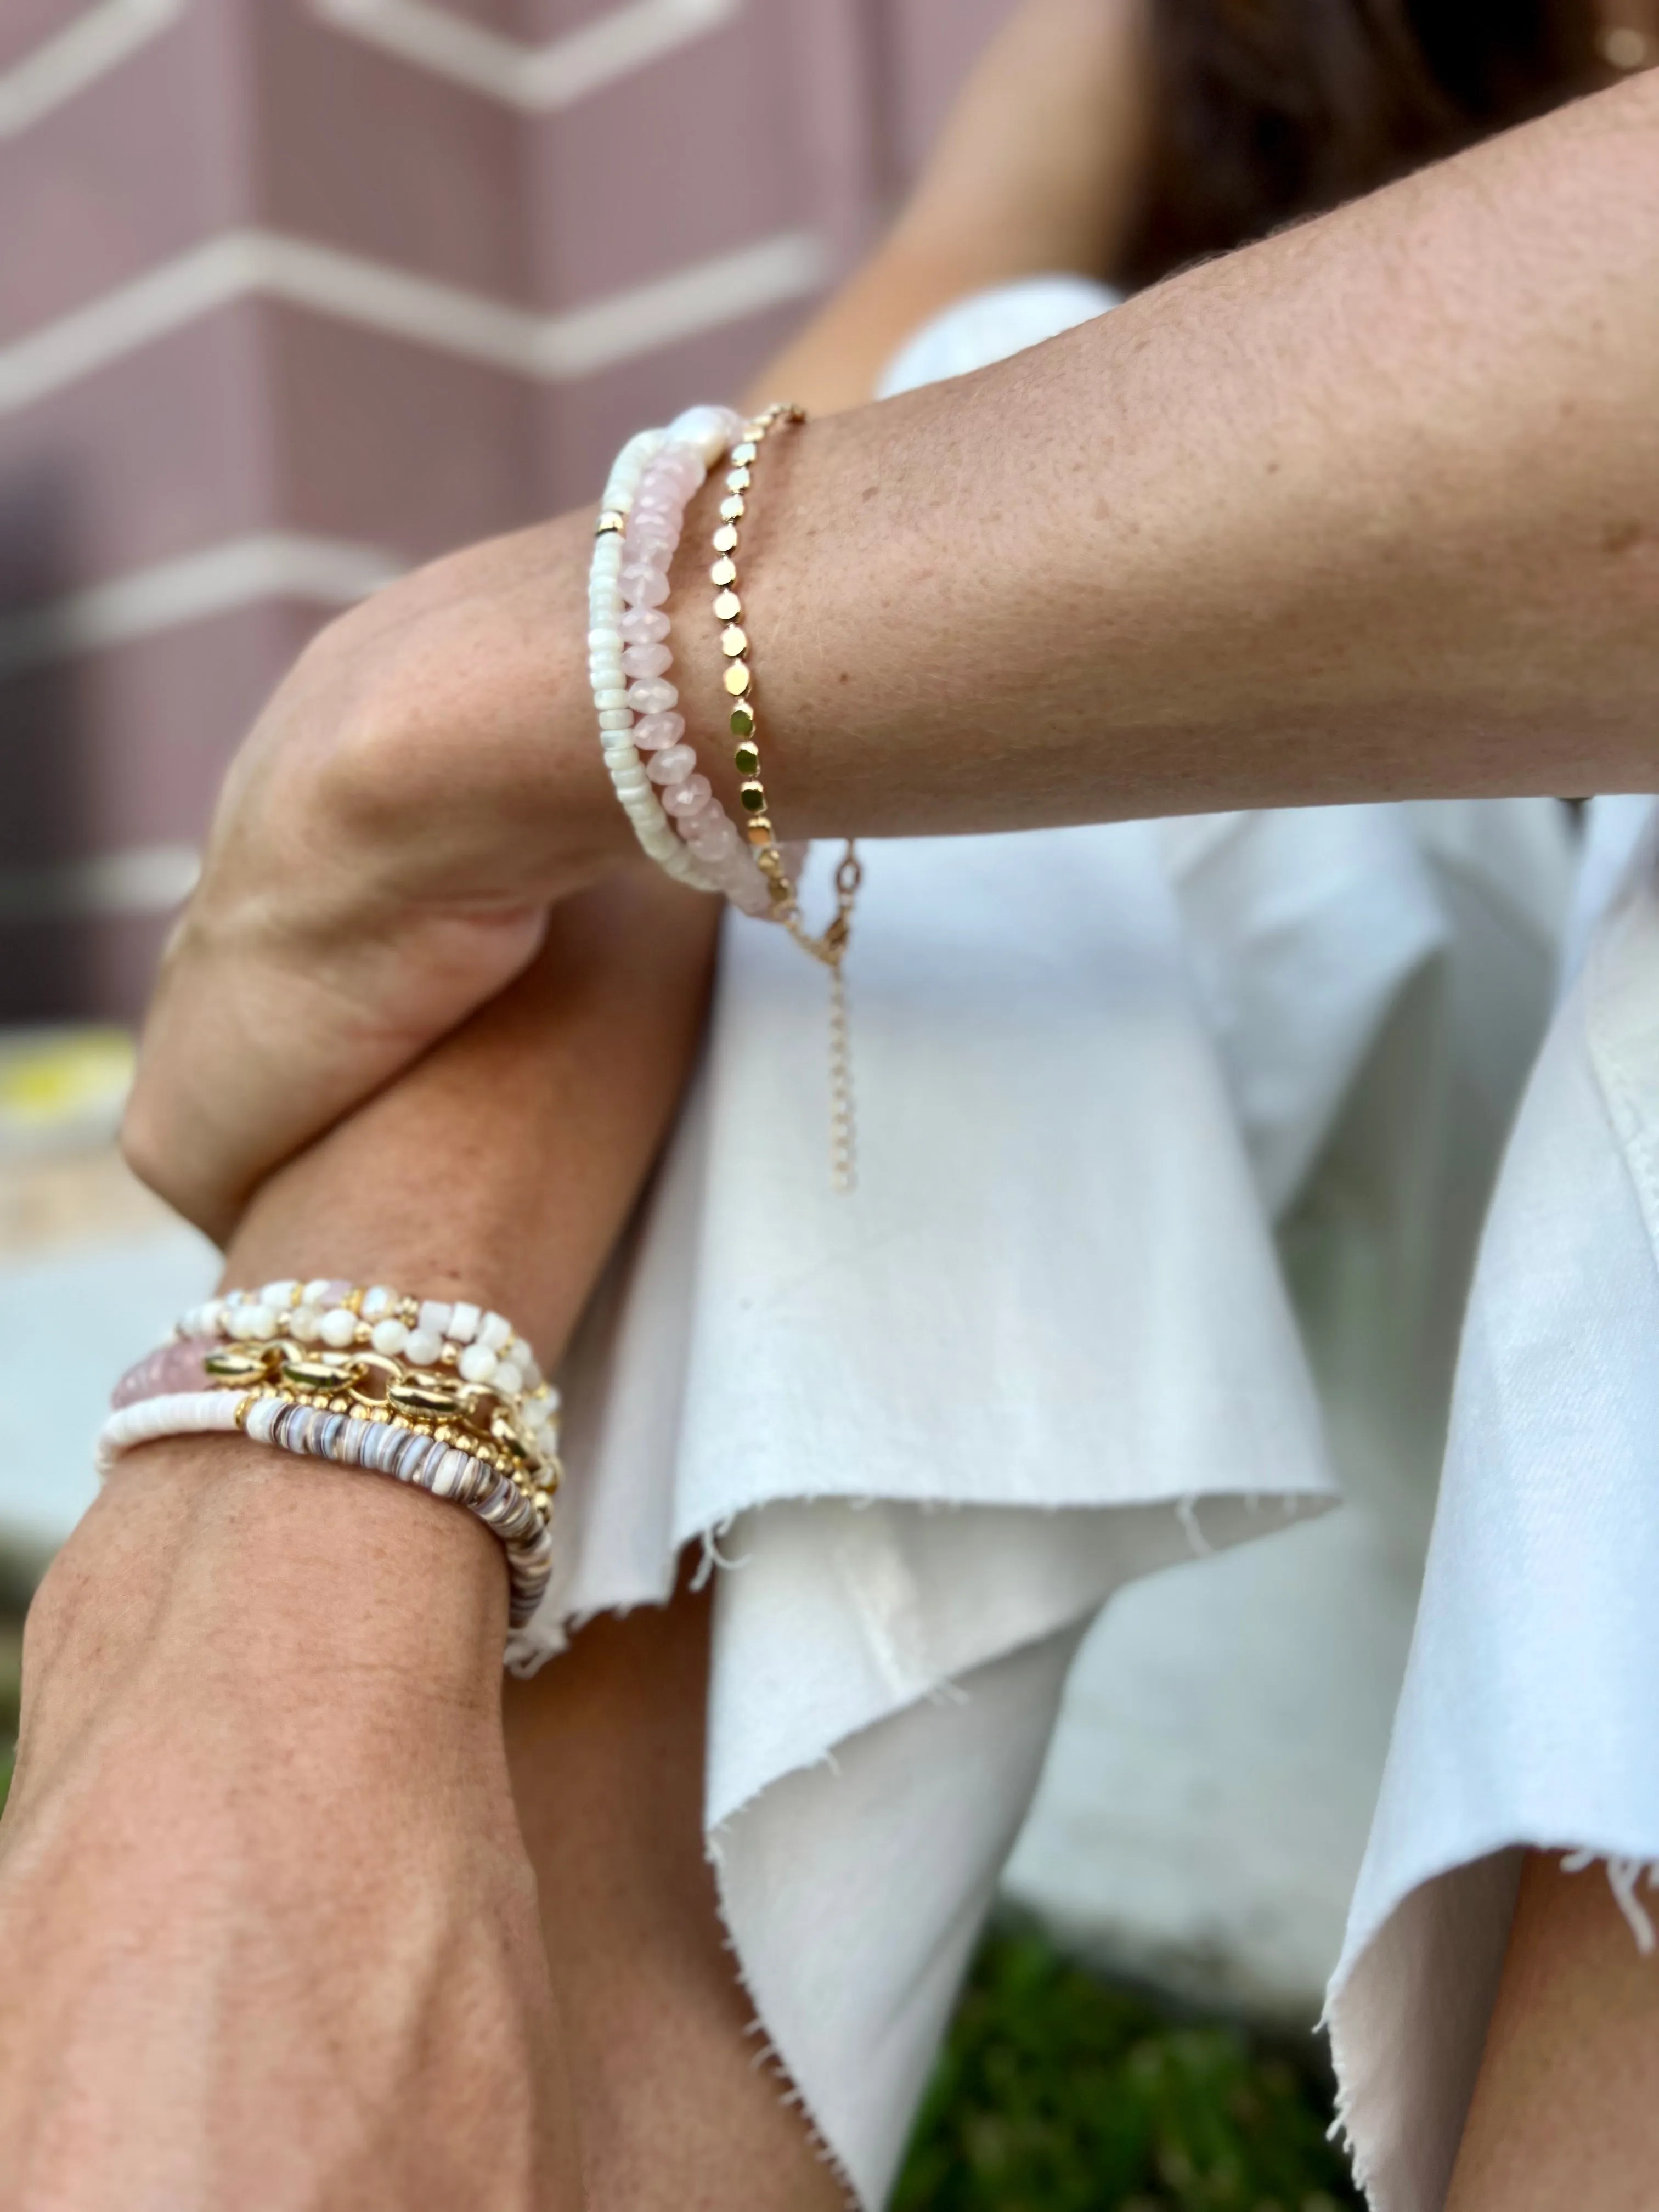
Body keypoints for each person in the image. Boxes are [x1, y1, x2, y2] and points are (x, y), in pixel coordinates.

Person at [2, 6, 1657, 2209]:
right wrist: (253, 1606)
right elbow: (834, 419)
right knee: (986, 380)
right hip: (1380, 1194)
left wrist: (473, 704)